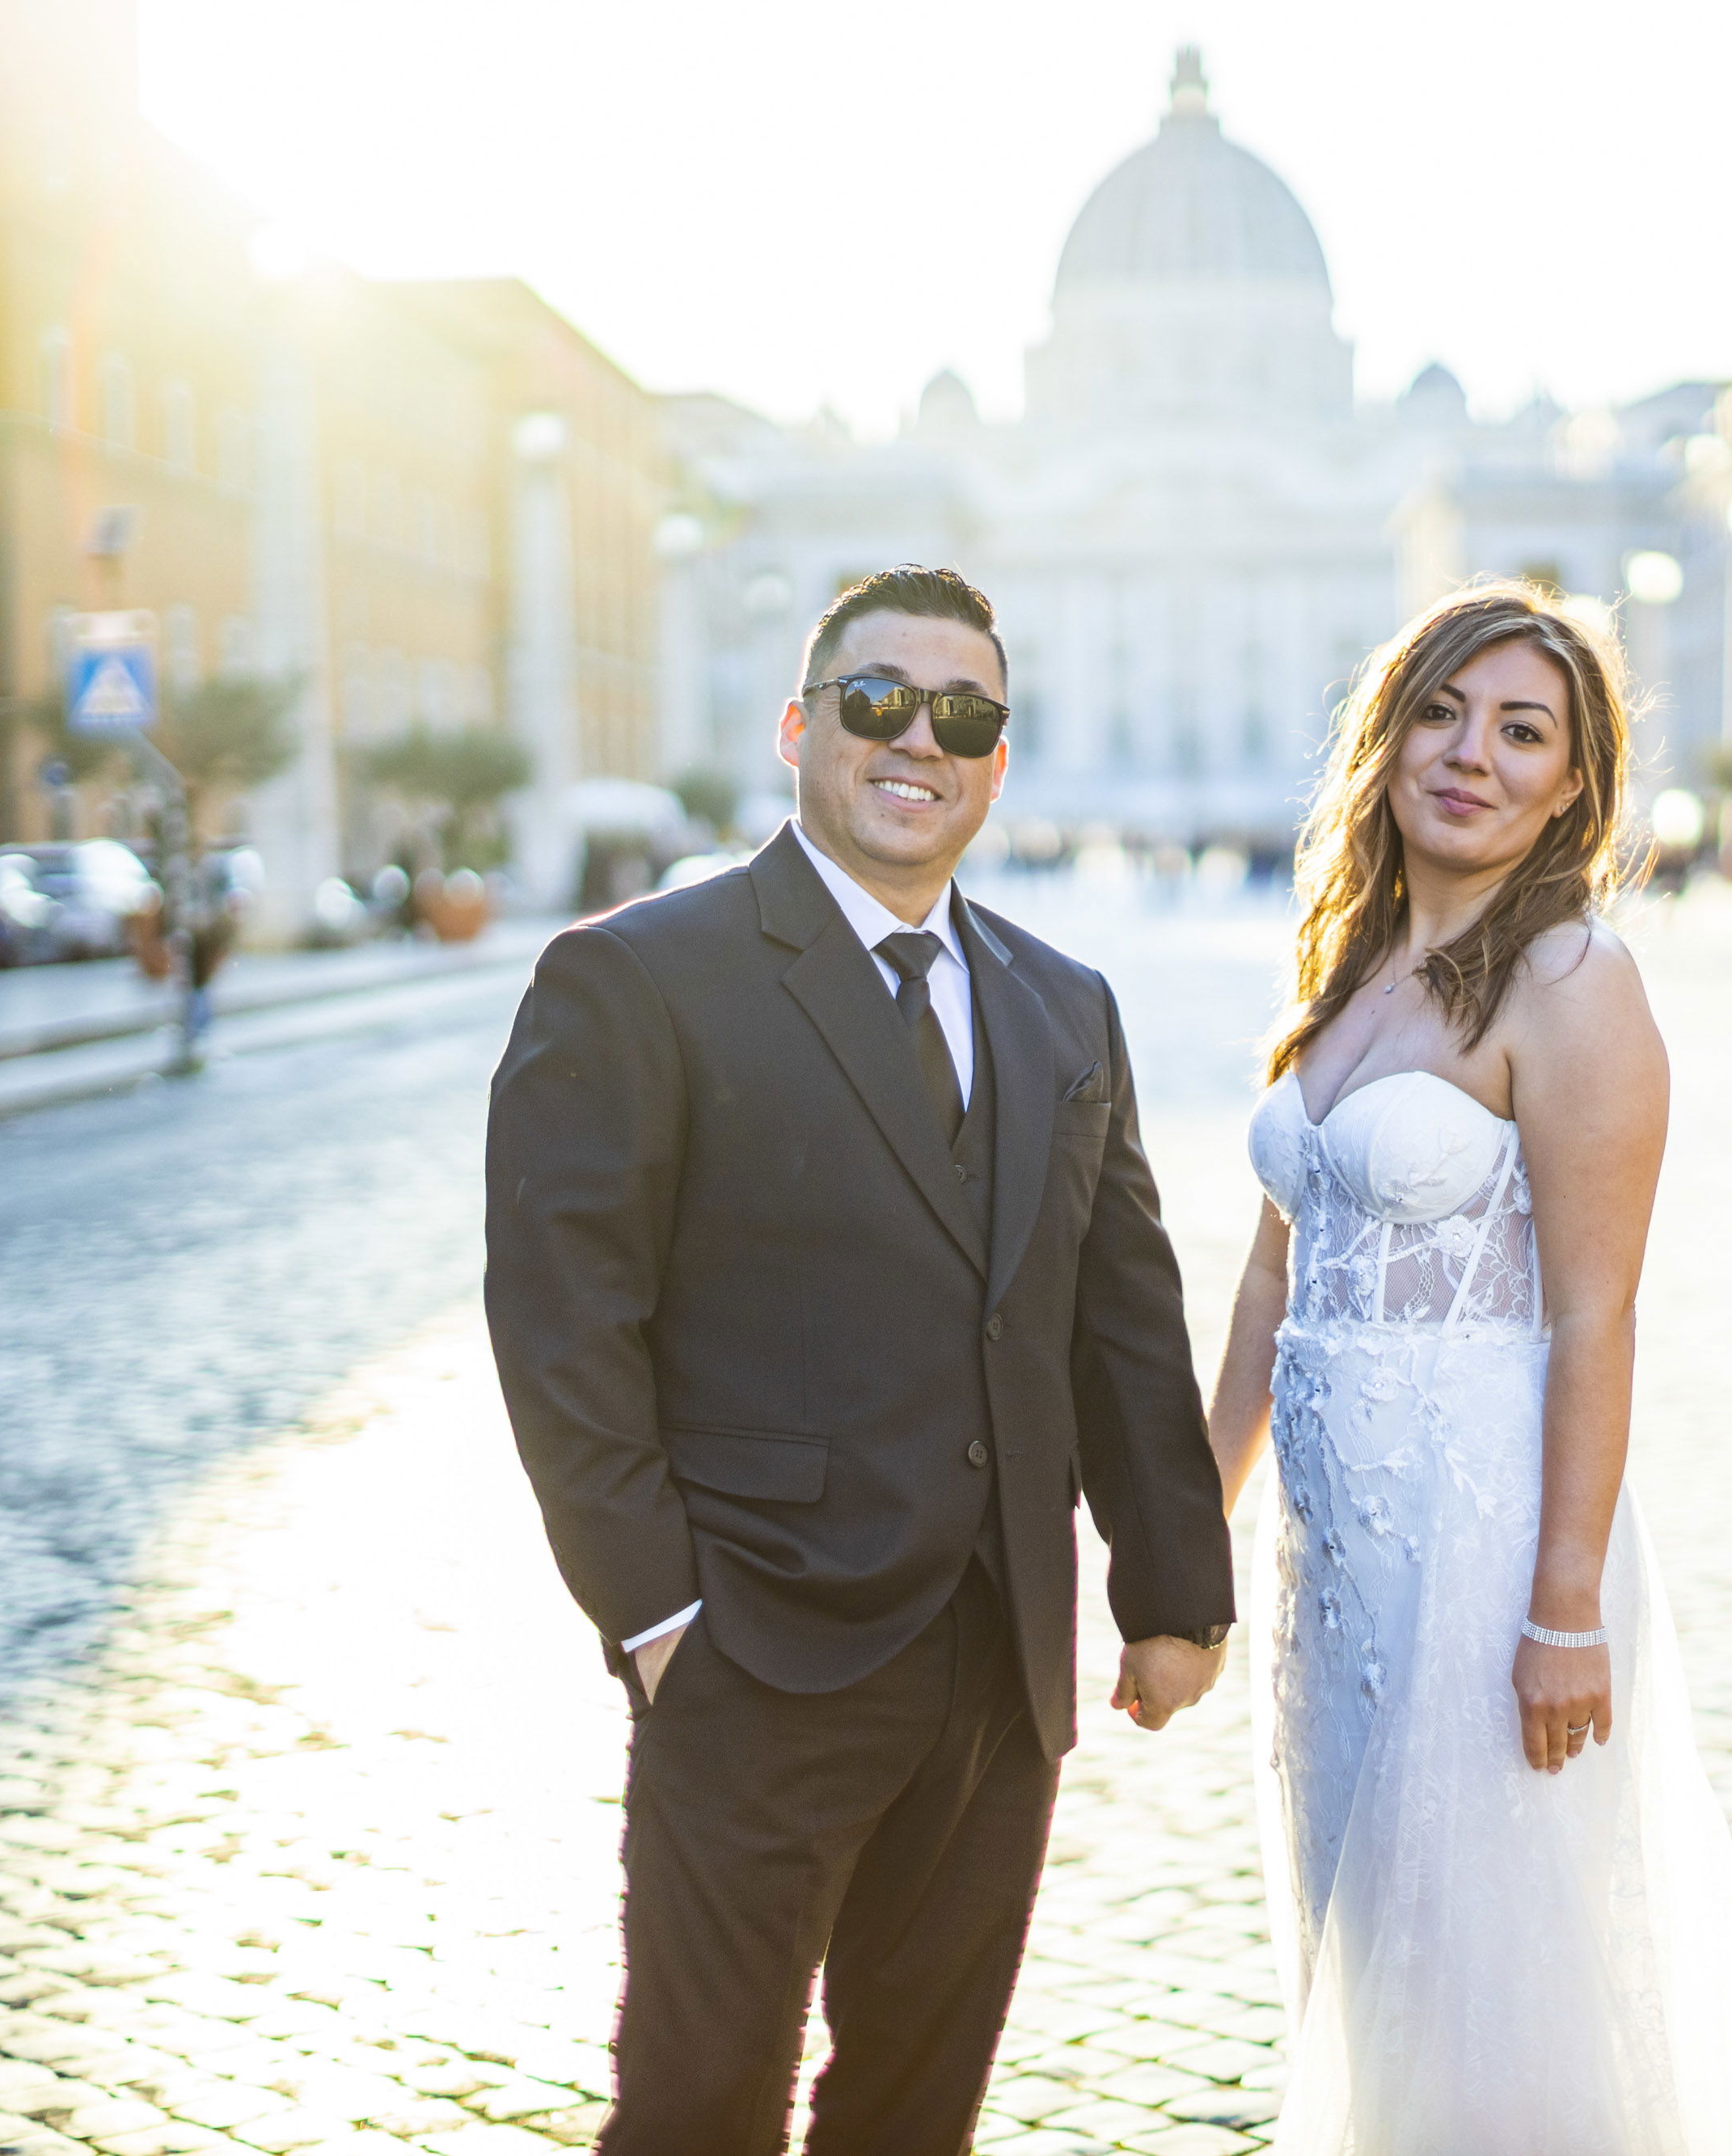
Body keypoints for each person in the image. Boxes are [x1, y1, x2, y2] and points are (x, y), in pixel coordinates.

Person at [483, 564, 1235, 2156]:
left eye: (959, 713)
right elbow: (564, 1324)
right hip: (754, 1655)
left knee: (913, 2113)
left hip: (997, 1672)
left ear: (997, 756)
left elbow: (1119, 1312)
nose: (917, 739)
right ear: (798, 726)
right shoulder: (637, 976)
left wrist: (1171, 1588)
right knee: (698, 2109)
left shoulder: (1061, 1005)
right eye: (875, 700)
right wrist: (660, 1614)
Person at [1203, 584, 1732, 2154]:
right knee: (1362, 1933)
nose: (1472, 754)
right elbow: (1270, 1271)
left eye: (1523, 730)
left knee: (1479, 1964)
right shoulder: (1347, 960)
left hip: (1483, 1547)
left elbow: (1596, 1314)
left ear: (1574, 783)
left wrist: (1563, 1604)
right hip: (1329, 1565)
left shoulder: (1576, 982)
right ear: (1386, 735)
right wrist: (1195, 1514)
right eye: (1443, 711)